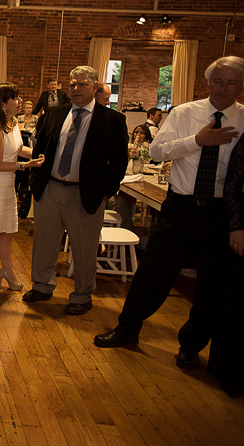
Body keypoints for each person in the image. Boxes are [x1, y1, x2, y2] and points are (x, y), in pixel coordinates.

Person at [94, 57, 244, 373]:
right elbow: (158, 151)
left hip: (220, 213)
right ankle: (127, 329)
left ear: (240, 86)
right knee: (152, 272)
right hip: (181, 207)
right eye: (218, 81)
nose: (223, 88)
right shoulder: (184, 113)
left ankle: (191, 346)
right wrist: (197, 141)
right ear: (208, 82)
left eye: (231, 82)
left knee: (211, 286)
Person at [23, 65, 128, 315]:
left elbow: (119, 162)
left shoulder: (112, 120)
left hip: (85, 193)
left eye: (82, 84)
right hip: (50, 188)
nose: (76, 89)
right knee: (45, 243)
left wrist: (104, 193)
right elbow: (41, 148)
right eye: (72, 84)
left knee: (83, 248)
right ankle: (42, 285)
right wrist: (38, 180)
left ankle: (82, 294)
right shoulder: (55, 113)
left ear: (94, 87)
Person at [0, 83, 44, 297]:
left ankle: (8, 270)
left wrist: (38, 155)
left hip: (7, 186)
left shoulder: (12, 123)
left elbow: (17, 149)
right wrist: (26, 165)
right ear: (3, 105)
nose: (20, 101)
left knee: (7, 231)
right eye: (15, 98)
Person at [213, 132, 244, 397]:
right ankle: (232, 372)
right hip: (242, 227)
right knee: (237, 300)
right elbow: (233, 185)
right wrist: (236, 227)